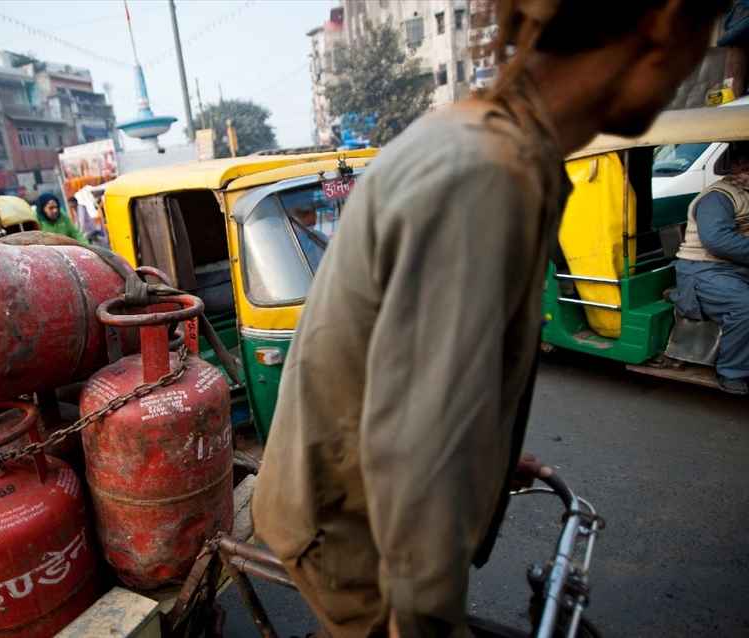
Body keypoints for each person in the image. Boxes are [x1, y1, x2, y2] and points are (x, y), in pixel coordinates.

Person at [250, 1, 727, 637]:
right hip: (348, 530)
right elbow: (417, 460)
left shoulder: (474, 137)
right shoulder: (488, 176)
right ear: (667, 22)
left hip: (340, 498)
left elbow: (431, 382)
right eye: (708, 30)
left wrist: (493, 458)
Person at [671, 141, 749, 394]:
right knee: (745, 305)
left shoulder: (745, 192)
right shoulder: (719, 196)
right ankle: (733, 371)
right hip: (703, 270)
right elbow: (718, 241)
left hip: (733, 267)